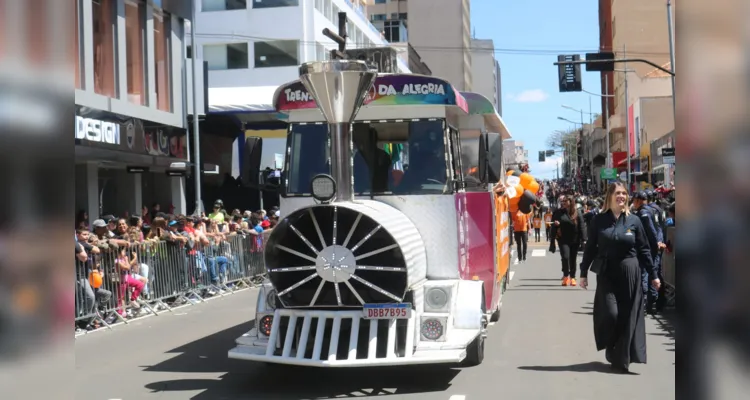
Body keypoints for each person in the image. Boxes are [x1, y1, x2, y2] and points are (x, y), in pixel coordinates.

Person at [579, 182, 660, 373]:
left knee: (627, 317)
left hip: (630, 274)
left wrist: (654, 275)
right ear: (610, 196)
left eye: (624, 193)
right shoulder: (599, 220)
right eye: (618, 193)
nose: (622, 196)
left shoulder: (634, 220)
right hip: (607, 274)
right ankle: (611, 344)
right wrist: (583, 273)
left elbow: (644, 249)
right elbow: (590, 248)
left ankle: (621, 358)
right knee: (610, 313)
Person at [549, 195, 585, 286]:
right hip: (563, 239)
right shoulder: (558, 213)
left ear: (571, 202)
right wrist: (555, 226)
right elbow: (553, 226)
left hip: (575, 240)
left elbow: (582, 226)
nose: (563, 203)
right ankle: (565, 276)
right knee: (565, 257)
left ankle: (572, 277)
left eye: (566, 201)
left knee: (573, 259)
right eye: (563, 201)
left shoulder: (578, 213)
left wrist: (584, 239)